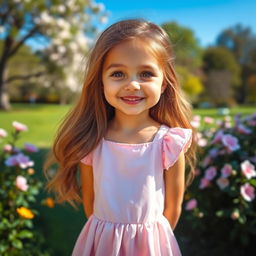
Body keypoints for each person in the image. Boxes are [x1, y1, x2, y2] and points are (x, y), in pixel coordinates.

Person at [44, 18, 197, 256]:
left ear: (164, 83)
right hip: (102, 243)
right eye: (118, 74)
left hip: (152, 246)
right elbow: (91, 203)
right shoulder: (92, 141)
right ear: (101, 81)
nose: (133, 84)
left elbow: (172, 209)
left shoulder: (169, 142)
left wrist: (151, 240)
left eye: (146, 73)